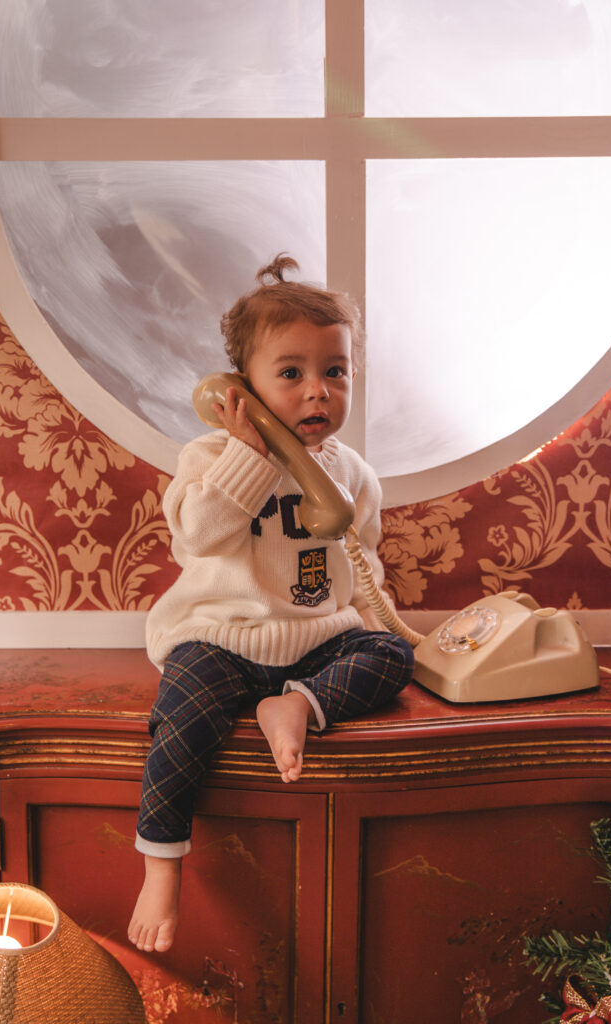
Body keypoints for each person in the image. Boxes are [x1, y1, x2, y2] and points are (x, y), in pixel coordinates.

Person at [127, 254, 414, 954]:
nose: (317, 391)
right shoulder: (208, 458)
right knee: (185, 716)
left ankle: (299, 704)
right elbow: (197, 532)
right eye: (290, 374)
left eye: (334, 371)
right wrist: (253, 456)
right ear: (239, 388)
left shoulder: (352, 474)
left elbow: (362, 565)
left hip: (316, 641)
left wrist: (379, 627)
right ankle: (161, 866)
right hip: (220, 638)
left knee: (391, 655)